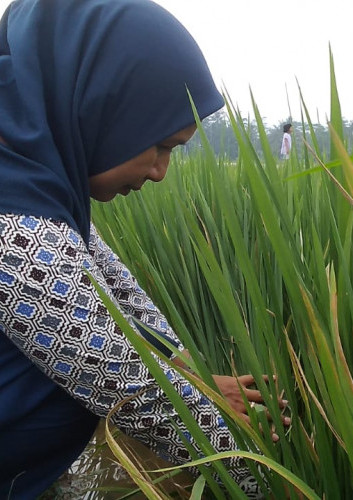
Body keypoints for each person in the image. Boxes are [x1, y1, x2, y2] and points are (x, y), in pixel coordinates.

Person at [0, 0, 287, 498]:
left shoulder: (36, 178)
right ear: (100, 102)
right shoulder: (12, 220)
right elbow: (139, 396)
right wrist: (285, 481)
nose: (160, 171)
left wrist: (184, 369)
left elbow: (114, 289)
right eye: (161, 146)